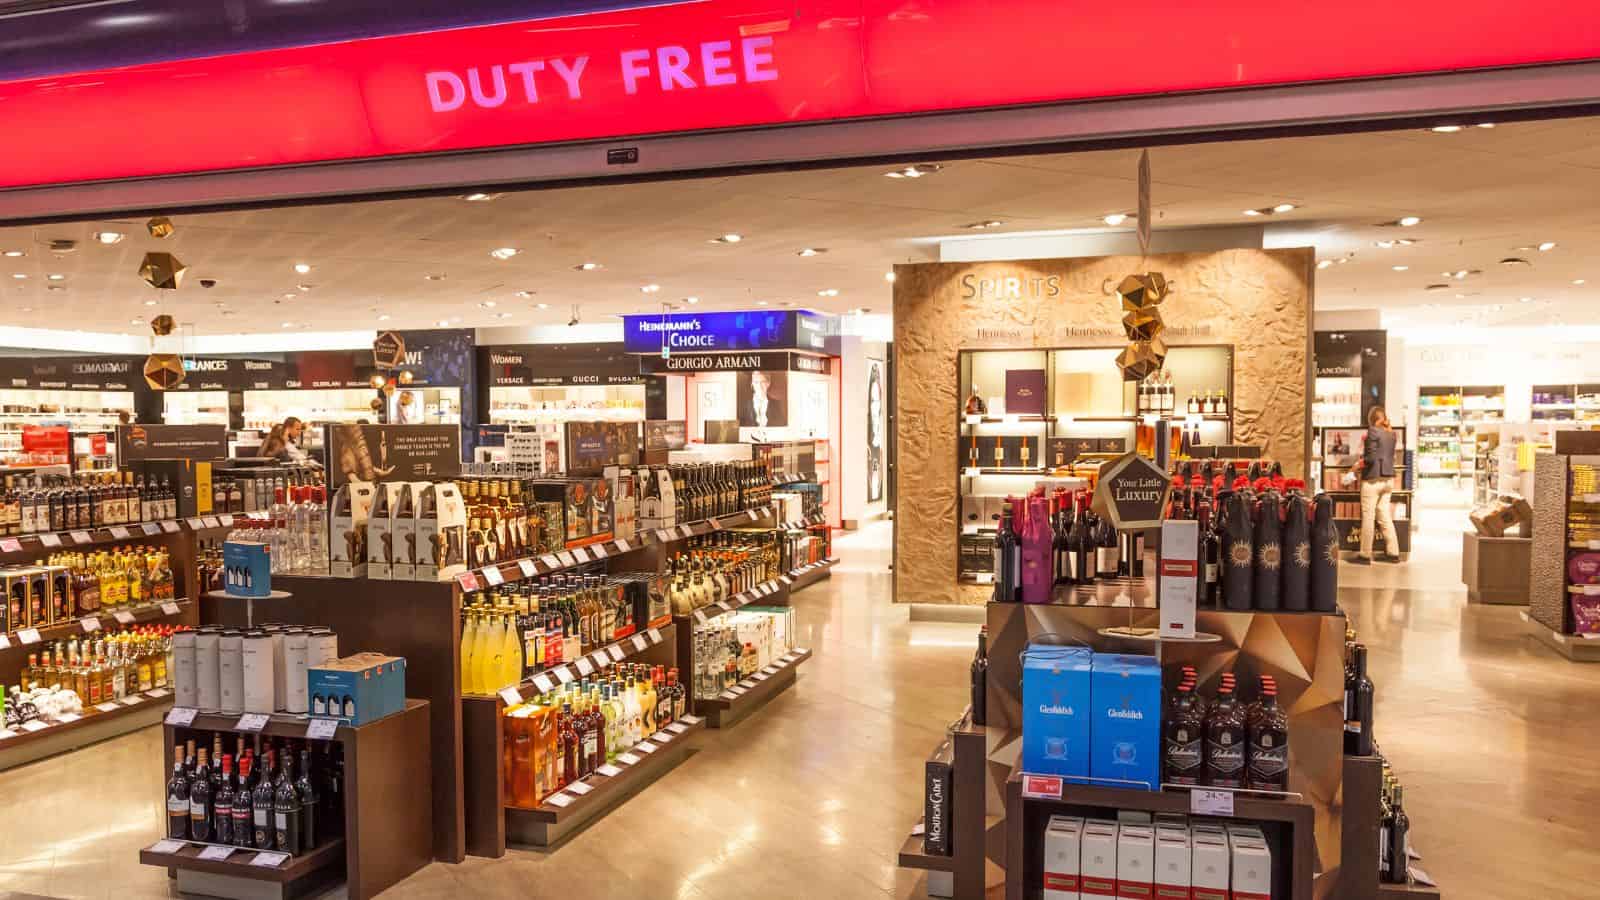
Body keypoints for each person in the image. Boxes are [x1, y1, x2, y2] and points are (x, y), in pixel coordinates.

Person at [1353, 405, 1400, 564]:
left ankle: (1365, 555)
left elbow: (1371, 459)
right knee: (1384, 515)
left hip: (1373, 480)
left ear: (1372, 419)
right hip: (1388, 480)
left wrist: (1358, 464)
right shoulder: (1391, 434)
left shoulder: (1372, 431)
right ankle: (1393, 553)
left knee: (1368, 516)